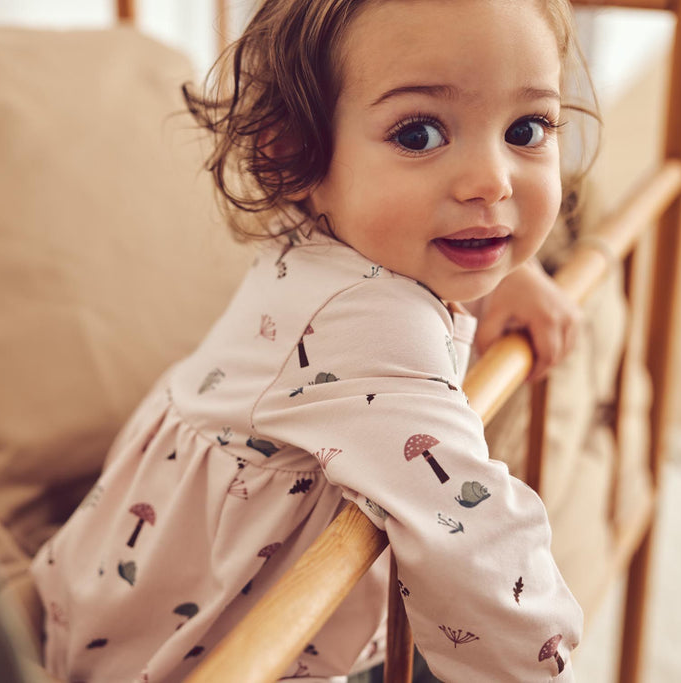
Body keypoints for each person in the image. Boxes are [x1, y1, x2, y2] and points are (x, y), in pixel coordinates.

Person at [31, 0, 598, 680]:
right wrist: (553, 661)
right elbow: (476, 548)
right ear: (297, 155)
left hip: (93, 594)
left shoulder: (328, 235)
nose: (493, 181)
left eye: (527, 127)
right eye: (418, 134)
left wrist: (510, 270)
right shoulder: (373, 325)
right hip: (182, 655)